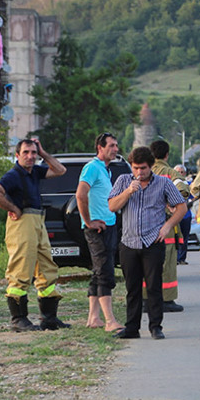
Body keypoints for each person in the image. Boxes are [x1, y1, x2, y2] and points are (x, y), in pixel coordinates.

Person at [0, 138, 70, 332]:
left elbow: (60, 170)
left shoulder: (34, 172)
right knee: (21, 269)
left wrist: (43, 153)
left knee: (46, 267)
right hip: (22, 222)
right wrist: (13, 207)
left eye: (33, 153)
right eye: (26, 152)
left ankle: (49, 318)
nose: (30, 156)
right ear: (17, 155)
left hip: (38, 221)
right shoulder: (13, 175)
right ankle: (18, 319)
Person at [107, 146, 188, 340]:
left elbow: (181, 207)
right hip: (129, 242)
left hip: (153, 241)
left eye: (143, 168)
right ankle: (132, 328)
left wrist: (167, 226)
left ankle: (155, 326)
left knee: (153, 286)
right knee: (132, 288)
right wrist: (128, 192)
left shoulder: (163, 183)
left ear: (151, 166)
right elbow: (111, 206)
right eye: (135, 168)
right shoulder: (123, 181)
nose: (139, 172)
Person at [75, 132, 124, 331]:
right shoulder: (92, 168)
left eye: (116, 145)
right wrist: (88, 221)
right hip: (98, 229)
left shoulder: (106, 170)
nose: (115, 149)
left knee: (98, 272)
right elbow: (80, 194)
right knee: (105, 272)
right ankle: (110, 321)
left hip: (109, 225)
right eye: (111, 145)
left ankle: (93, 318)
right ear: (100, 148)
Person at [149, 140, 186, 312]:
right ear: (167, 155)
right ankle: (167, 299)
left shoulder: (142, 171)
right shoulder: (171, 173)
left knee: (147, 264)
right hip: (166, 225)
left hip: (145, 225)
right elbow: (183, 191)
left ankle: (145, 299)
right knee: (168, 262)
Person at [174, 163, 192, 264]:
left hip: (186, 216)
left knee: (184, 237)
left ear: (185, 173)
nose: (180, 174)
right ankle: (175, 258)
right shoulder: (171, 184)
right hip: (174, 215)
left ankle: (181, 258)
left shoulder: (188, 185)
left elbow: (194, 196)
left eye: (182, 172)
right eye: (178, 172)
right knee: (175, 237)